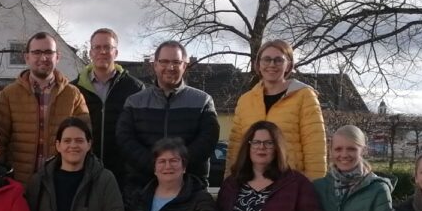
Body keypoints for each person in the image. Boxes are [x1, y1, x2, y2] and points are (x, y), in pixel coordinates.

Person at [115, 41, 219, 192]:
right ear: (155, 64)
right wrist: (155, 164)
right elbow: (124, 139)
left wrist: (177, 165)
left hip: (190, 189)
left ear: (184, 65)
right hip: (142, 188)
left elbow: (208, 141)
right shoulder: (134, 102)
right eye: (164, 61)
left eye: (176, 62)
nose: (170, 67)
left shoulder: (203, 101)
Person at [0, 31, 88, 185]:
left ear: (57, 57)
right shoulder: (9, 95)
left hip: (59, 185)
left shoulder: (73, 95)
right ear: (27, 57)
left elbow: (85, 141)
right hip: (18, 186)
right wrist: (4, 177)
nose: (43, 58)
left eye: (49, 52)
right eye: (36, 52)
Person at [229, 39, 327, 181]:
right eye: (266, 60)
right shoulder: (245, 100)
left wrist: (315, 187)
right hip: (251, 182)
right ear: (258, 64)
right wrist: (230, 181)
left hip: (291, 183)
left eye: (278, 60)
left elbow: (315, 146)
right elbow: (235, 146)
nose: (272, 65)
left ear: (288, 65)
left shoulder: (304, 96)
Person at [73, 27, 142, 184]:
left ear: (116, 53)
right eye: (97, 47)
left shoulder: (134, 88)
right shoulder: (74, 89)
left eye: (107, 47)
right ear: (90, 52)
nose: (102, 52)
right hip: (84, 172)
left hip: (123, 175)